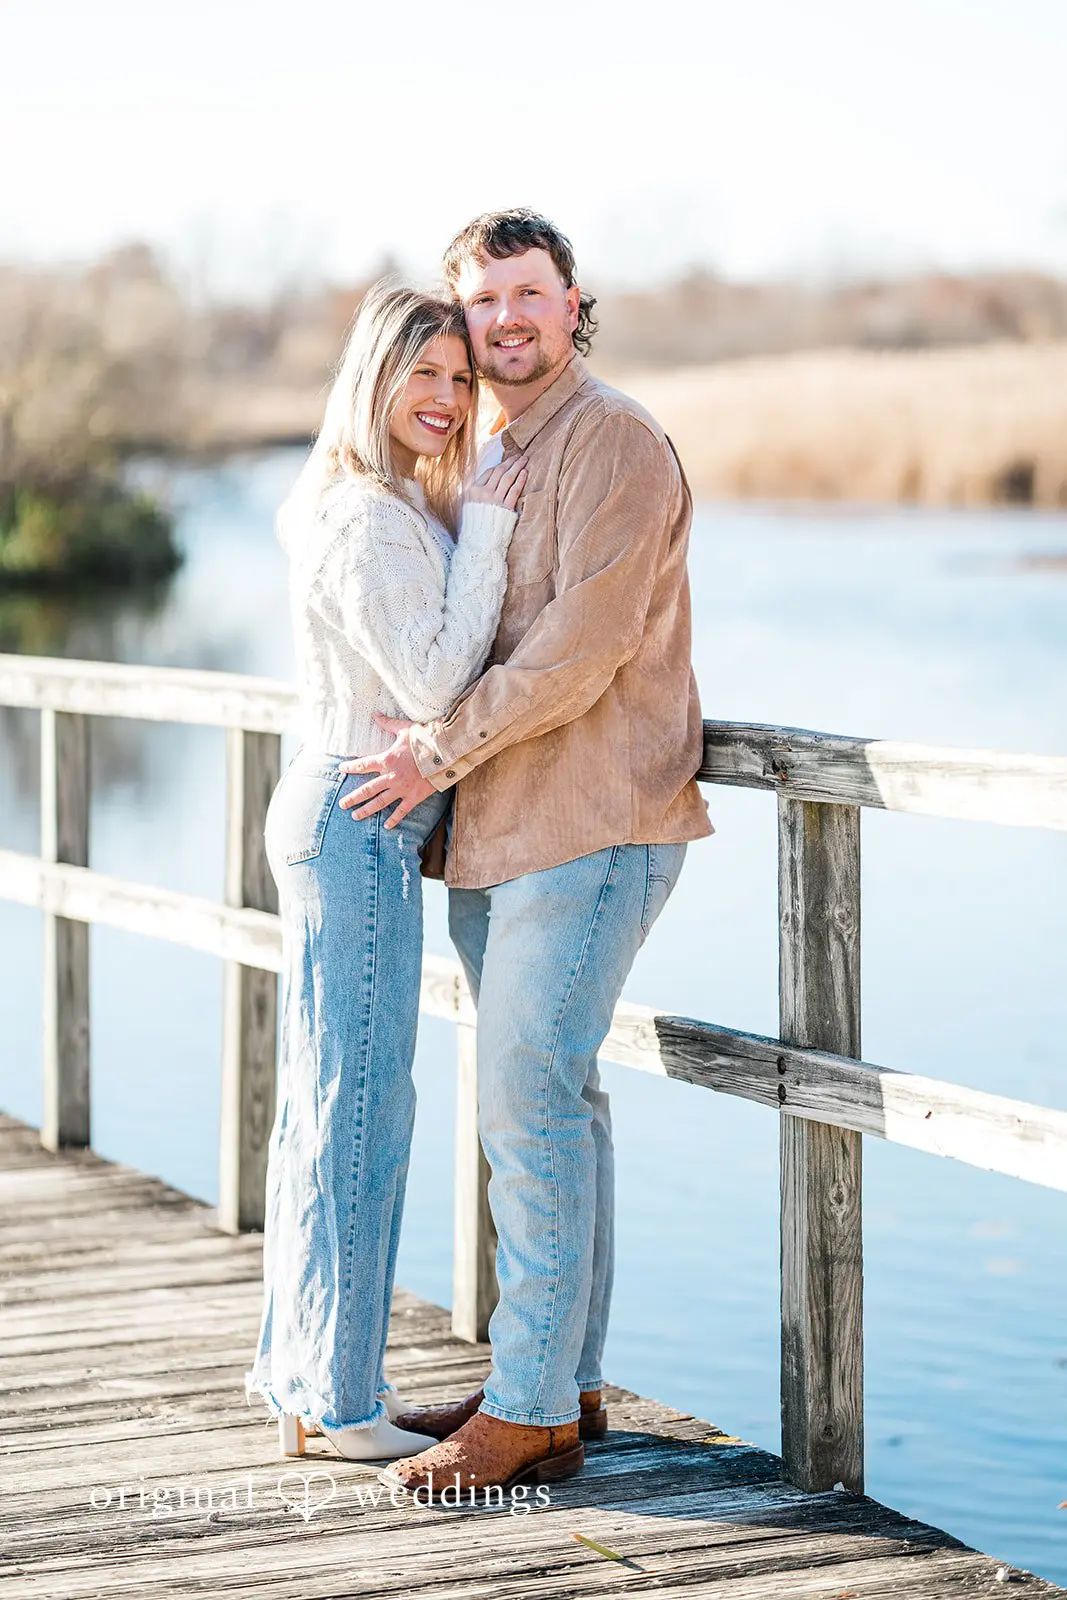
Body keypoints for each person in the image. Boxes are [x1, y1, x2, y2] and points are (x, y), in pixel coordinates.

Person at [336, 211, 713, 1498]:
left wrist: (433, 752)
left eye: (528, 294)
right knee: (559, 1104)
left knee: (525, 1102)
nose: (504, 319)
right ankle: (560, 1384)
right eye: (482, 299)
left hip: (592, 824)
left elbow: (580, 650)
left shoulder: (613, 441)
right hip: (497, 832)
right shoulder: (490, 450)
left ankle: (529, 1408)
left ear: (570, 304)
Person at [244, 279, 527, 1462]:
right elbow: (431, 680)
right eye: (424, 373)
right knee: (359, 1108)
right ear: (373, 375)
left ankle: (307, 1379)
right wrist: (491, 530)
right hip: (359, 815)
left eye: (460, 378)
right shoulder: (365, 514)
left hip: (348, 812)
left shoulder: (371, 500)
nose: (447, 396)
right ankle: (347, 1401)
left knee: (325, 1106)